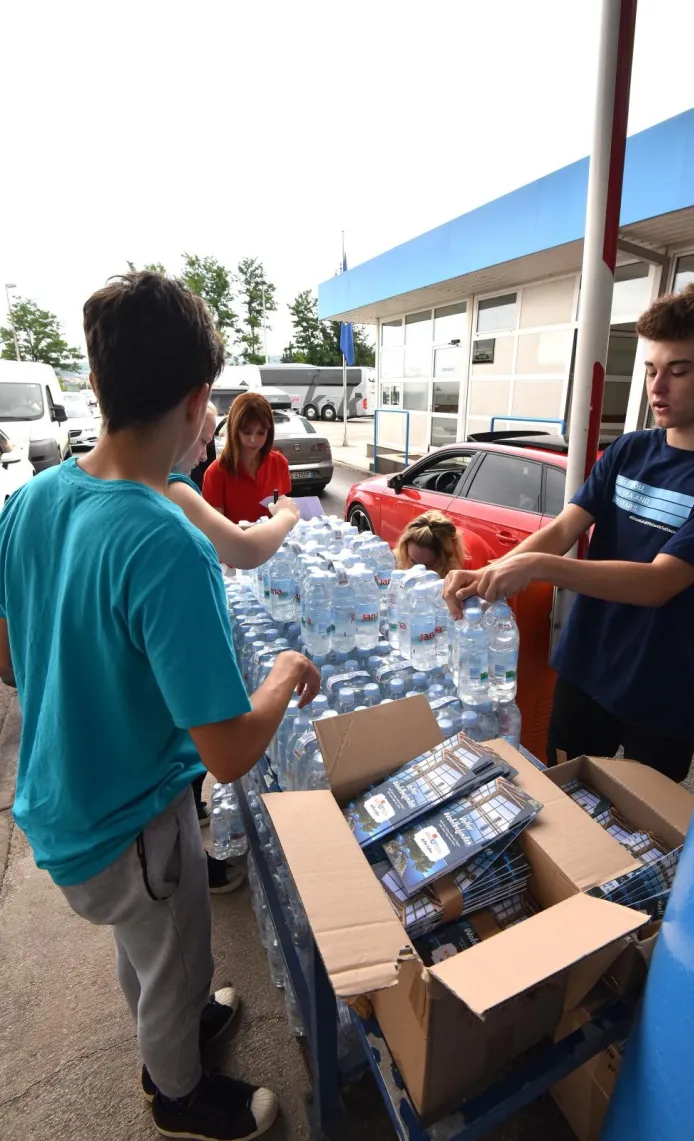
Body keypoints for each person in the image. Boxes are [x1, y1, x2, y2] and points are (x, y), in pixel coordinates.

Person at [0, 271, 320, 1141]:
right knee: (173, 951)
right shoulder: (166, 542)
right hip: (131, 818)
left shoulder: (30, 502)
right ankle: (177, 1092)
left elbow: (14, 652)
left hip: (60, 806)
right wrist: (285, 674)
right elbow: (226, 750)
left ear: (97, 385)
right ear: (198, 402)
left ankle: (172, 1025)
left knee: (146, 947)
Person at [444, 279, 694, 782]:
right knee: (564, 798)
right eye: (651, 370)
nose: (657, 388)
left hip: (665, 688)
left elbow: (659, 583)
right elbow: (565, 527)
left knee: (637, 833)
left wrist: (539, 567)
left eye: (679, 371)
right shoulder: (629, 451)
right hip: (586, 667)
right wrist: (488, 571)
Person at [170, 407, 302, 853]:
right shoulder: (176, 489)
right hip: (137, 809)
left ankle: (188, 803)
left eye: (261, 432)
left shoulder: (38, 497)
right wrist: (286, 669)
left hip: (76, 801)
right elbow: (228, 756)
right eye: (203, 436)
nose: (201, 451)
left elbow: (10, 664)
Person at [202, 392, 291, 524]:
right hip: (234, 544)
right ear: (234, 430)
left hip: (276, 543)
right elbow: (216, 531)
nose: (253, 440)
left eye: (261, 432)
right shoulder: (216, 472)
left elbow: (284, 512)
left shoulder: (279, 463)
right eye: (247, 432)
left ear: (269, 431)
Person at [394, 509, 492, 576]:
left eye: (430, 565)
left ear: (446, 560)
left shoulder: (463, 568)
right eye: (413, 562)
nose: (419, 572)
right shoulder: (402, 555)